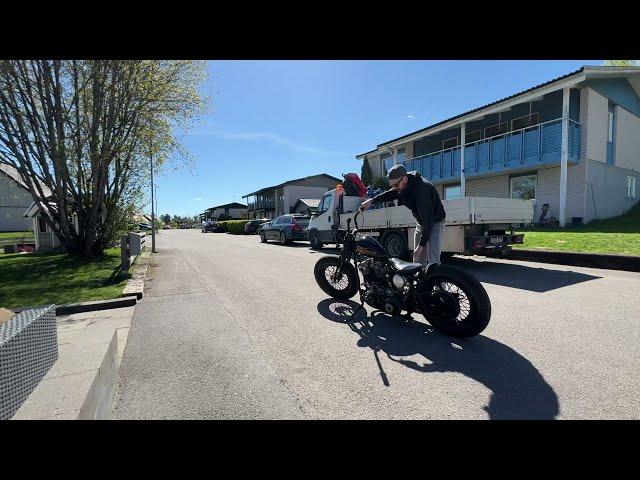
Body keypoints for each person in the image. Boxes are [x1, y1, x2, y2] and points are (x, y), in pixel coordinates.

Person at [359, 164, 446, 267]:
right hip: (422, 222)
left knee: (433, 261)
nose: (394, 188)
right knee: (417, 260)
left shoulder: (422, 190)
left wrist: (421, 246)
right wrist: (371, 201)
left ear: (404, 179)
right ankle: (421, 282)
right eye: (392, 186)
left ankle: (439, 282)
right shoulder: (402, 186)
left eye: (396, 185)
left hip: (435, 221)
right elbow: (390, 194)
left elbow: (428, 222)